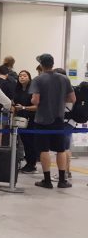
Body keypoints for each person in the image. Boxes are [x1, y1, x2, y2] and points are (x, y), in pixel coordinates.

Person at [30, 53, 75, 189]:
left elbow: (35, 100)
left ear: (41, 65)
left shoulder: (38, 79)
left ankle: (47, 180)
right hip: (59, 119)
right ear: (52, 64)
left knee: (44, 150)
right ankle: (62, 180)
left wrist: (35, 100)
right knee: (61, 149)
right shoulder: (64, 78)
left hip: (42, 119)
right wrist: (59, 100)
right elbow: (72, 99)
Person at [13, 69, 37, 173]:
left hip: (31, 119)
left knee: (30, 142)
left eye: (24, 76)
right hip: (20, 119)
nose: (22, 77)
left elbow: (36, 106)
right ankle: (28, 162)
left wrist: (24, 107)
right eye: (20, 76)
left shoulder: (33, 90)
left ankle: (31, 164)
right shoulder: (17, 89)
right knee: (24, 142)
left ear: (29, 78)